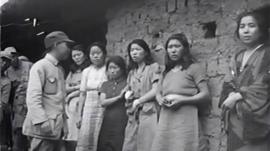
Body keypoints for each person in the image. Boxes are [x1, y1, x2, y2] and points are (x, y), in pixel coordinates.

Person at [219, 11, 270, 151]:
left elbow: (265, 83)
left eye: (251, 25)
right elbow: (228, 81)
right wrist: (229, 94)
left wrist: (238, 95)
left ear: (261, 28)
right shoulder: (237, 56)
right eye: (242, 26)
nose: (246, 30)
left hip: (257, 116)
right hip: (235, 116)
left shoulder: (267, 53)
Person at [150, 33, 210, 151]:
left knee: (185, 146)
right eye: (170, 47)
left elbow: (205, 94)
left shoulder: (194, 68)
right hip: (166, 118)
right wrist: (160, 99)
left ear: (185, 49)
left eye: (177, 46)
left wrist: (182, 100)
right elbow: (158, 92)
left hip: (186, 118)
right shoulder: (166, 72)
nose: (173, 50)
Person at [22, 31, 74, 151]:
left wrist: (64, 125)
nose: (69, 50)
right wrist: (42, 122)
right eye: (67, 45)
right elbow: (33, 98)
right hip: (43, 130)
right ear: (56, 44)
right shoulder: (40, 66)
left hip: (56, 129)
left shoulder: (59, 69)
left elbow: (59, 101)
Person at [122, 39, 162, 151]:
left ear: (145, 52)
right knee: (130, 144)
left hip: (149, 111)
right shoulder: (131, 72)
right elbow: (129, 89)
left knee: (147, 144)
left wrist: (140, 100)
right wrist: (128, 95)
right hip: (133, 113)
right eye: (131, 50)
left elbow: (156, 90)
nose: (134, 52)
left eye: (137, 49)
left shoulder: (153, 67)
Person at [76, 42, 107, 151]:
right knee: (86, 136)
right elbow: (82, 93)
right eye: (92, 53)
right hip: (88, 108)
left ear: (104, 53)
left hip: (103, 108)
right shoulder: (86, 71)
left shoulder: (108, 69)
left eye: (98, 53)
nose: (95, 56)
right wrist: (79, 114)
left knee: (100, 136)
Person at [4, 47, 33, 151]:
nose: (12, 60)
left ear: (16, 55)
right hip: (16, 107)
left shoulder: (29, 65)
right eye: (8, 59)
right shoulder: (7, 70)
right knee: (18, 130)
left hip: (30, 104)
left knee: (31, 131)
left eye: (13, 57)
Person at [97, 56, 128, 151]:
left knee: (119, 144)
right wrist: (118, 97)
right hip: (107, 120)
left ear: (122, 69)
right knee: (103, 145)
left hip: (122, 119)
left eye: (115, 67)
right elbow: (102, 102)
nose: (112, 71)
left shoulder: (128, 83)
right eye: (110, 68)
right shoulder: (105, 84)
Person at [64, 44, 90, 151]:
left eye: (79, 55)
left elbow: (87, 87)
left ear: (85, 55)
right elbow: (65, 87)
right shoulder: (72, 70)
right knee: (71, 131)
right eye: (74, 56)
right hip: (70, 103)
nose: (76, 58)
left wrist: (72, 92)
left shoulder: (89, 69)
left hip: (82, 101)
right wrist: (76, 88)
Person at [0, 51, 12, 151]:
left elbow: (3, 104)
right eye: (2, 60)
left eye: (6, 62)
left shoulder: (6, 81)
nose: (4, 63)